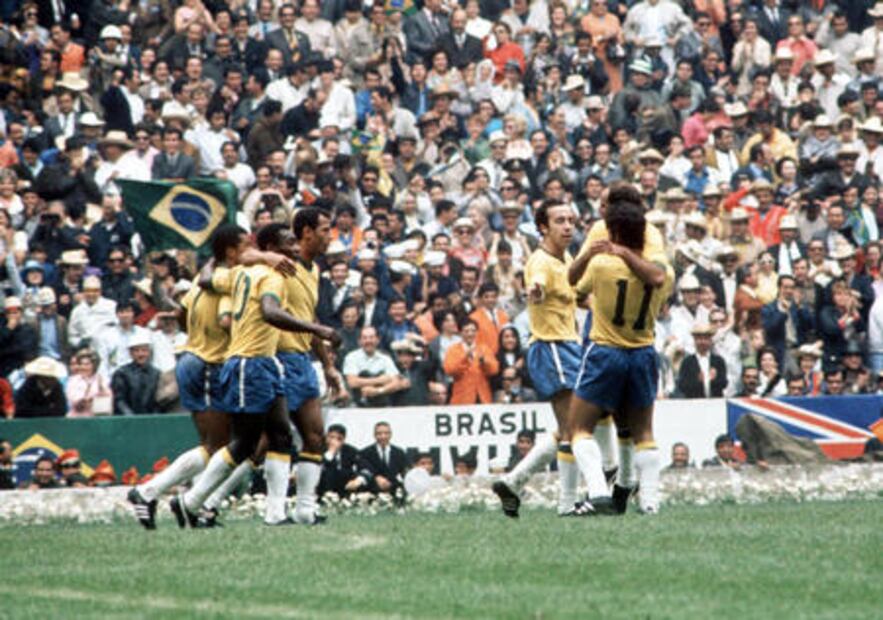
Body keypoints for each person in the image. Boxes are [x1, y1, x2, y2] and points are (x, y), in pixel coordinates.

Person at [173, 223, 337, 527]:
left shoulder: (291, 272)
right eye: (288, 242)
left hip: (278, 361)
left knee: (293, 436)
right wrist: (318, 330)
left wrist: (326, 362)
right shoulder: (269, 272)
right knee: (253, 443)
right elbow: (268, 311)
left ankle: (291, 511)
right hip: (258, 361)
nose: (294, 247)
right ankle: (197, 501)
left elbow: (211, 278)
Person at [566, 183, 673, 515]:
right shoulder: (662, 272)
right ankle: (651, 501)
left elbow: (573, 282)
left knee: (578, 427)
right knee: (644, 432)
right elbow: (657, 278)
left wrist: (593, 255)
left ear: (612, 228)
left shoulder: (601, 265)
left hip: (605, 350)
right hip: (642, 352)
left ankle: (598, 490)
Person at [492, 199, 584, 518]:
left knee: (571, 427)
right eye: (560, 220)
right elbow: (536, 285)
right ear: (543, 227)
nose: (568, 226)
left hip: (568, 345)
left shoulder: (566, 257)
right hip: (552, 346)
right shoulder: (541, 260)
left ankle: (514, 480)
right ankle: (568, 503)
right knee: (575, 428)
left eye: (571, 220)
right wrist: (534, 293)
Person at [274, 208, 344, 524]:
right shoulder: (280, 268)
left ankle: (304, 510)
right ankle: (204, 501)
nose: (331, 236)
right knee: (263, 443)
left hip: (302, 360)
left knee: (315, 436)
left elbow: (309, 319)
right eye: (326, 230)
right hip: (278, 359)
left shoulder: (313, 270)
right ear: (306, 232)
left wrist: (327, 364)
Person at [444, 318, 499, 405]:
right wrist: (465, 357)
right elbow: (450, 370)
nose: (470, 334)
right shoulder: (453, 350)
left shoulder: (484, 348)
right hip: (462, 398)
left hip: (482, 397)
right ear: (460, 333)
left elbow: (494, 370)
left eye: (473, 331)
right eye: (466, 331)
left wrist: (484, 362)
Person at [111, 332, 161, 416]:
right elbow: (119, 400)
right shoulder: (121, 373)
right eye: (136, 351)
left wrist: (153, 418)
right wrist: (132, 419)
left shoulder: (156, 374)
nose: (141, 354)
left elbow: (159, 401)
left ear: (149, 352)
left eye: (144, 350)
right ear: (130, 353)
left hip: (151, 421)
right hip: (127, 421)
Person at [677, 324, 728, 398]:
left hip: (715, 402)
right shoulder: (687, 362)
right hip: (694, 403)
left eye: (706, 338)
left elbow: (724, 383)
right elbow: (682, 386)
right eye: (699, 339)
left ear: (710, 340)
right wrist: (697, 380)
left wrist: (714, 379)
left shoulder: (718, 361)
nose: (703, 342)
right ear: (694, 340)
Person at [357, 421, 408, 496]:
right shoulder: (365, 453)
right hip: (372, 493)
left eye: (386, 433)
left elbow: (404, 473)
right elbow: (363, 472)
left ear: (391, 434)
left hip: (394, 493)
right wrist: (376, 478)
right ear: (374, 435)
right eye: (379, 433)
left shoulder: (399, 453)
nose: (383, 436)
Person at [317, 424, 366, 498]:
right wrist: (331, 453)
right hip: (322, 490)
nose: (334, 441)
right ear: (326, 437)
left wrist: (358, 480)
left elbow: (365, 467)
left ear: (343, 440)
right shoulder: (318, 449)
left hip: (345, 489)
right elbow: (319, 467)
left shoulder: (350, 451)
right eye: (331, 437)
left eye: (339, 439)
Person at [66, 349, 113, 417]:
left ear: (94, 365)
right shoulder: (73, 381)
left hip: (96, 420)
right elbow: (75, 403)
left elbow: (106, 403)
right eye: (81, 364)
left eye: (87, 364)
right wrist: (86, 396)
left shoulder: (102, 380)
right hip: (76, 419)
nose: (83, 367)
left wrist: (101, 389)